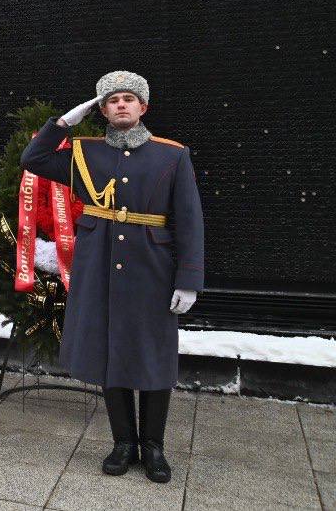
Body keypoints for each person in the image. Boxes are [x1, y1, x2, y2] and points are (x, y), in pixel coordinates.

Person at [20, 71, 204, 483]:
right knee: (110, 356)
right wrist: (62, 124)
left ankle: (153, 446)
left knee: (153, 357)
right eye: (112, 100)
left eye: (128, 99)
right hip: (98, 267)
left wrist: (188, 279)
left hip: (152, 271)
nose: (121, 105)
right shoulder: (85, 154)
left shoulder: (172, 155)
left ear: (143, 107)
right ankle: (123, 442)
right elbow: (32, 159)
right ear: (102, 110)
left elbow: (190, 221)